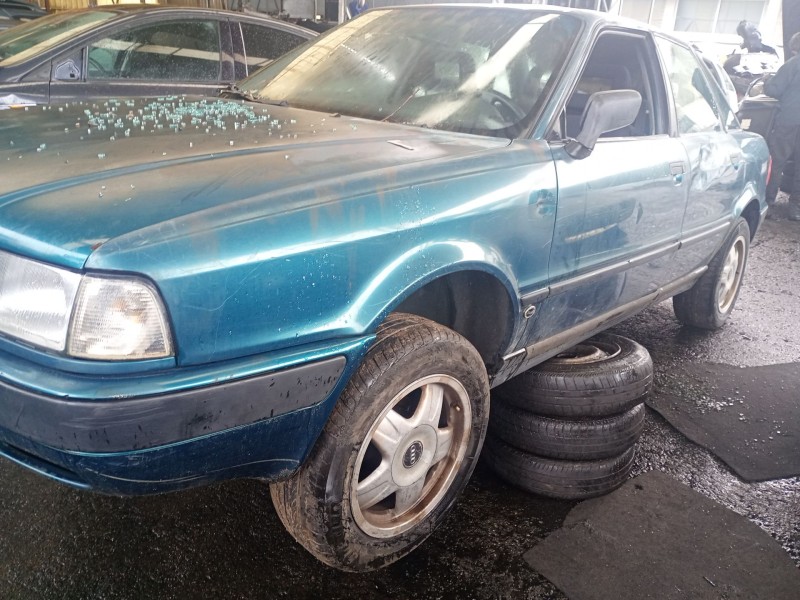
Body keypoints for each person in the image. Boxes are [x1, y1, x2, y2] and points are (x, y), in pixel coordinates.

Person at [764, 32, 800, 221]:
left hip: (789, 119)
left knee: (777, 161)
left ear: (794, 48)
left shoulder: (792, 64)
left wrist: (766, 81)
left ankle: (768, 202)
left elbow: (774, 89)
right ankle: (796, 209)